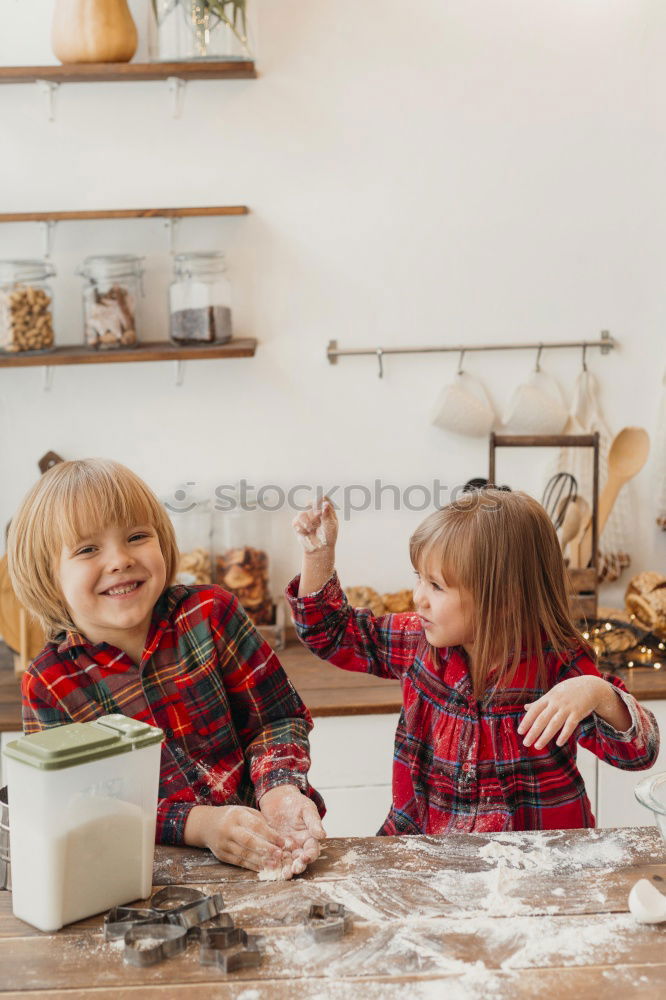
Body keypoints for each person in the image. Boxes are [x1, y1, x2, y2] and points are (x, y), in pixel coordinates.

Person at [8, 458, 325, 877]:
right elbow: (75, 804)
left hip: (268, 852)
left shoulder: (212, 614)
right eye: (88, 549)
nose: (120, 559)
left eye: (137, 536)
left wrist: (279, 787)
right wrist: (200, 825)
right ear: (47, 575)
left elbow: (277, 719)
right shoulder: (48, 683)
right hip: (146, 879)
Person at [288, 490, 659, 834]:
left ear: (503, 599)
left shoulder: (558, 667)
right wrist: (318, 555)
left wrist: (596, 692)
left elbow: (638, 753)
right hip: (424, 850)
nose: (419, 598)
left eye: (437, 586)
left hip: (539, 865)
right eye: (420, 579)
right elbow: (332, 634)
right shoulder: (418, 641)